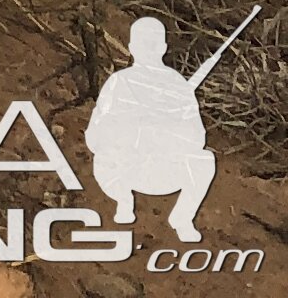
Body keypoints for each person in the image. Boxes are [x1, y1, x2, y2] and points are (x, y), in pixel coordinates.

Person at [87, 16, 219, 242]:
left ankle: (182, 218)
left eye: (153, 43)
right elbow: (95, 133)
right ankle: (124, 201)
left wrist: (167, 132)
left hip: (165, 168)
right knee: (103, 158)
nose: (148, 49)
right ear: (131, 48)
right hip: (126, 168)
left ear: (163, 48)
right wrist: (131, 132)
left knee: (204, 160)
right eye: (142, 43)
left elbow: (197, 137)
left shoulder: (177, 85)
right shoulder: (119, 82)